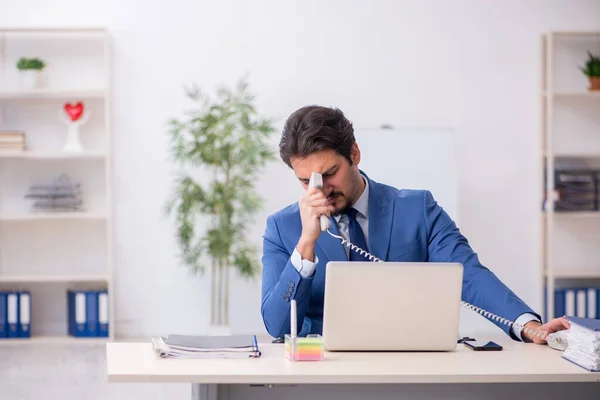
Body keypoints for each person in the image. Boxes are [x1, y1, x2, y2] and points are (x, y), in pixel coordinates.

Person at [260, 105, 569, 343]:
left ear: (354, 154)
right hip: (326, 378)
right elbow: (276, 324)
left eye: (329, 173)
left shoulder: (417, 208)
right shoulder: (282, 228)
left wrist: (529, 327)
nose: (321, 189)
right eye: (306, 181)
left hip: (412, 367)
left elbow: (469, 275)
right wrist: (306, 246)